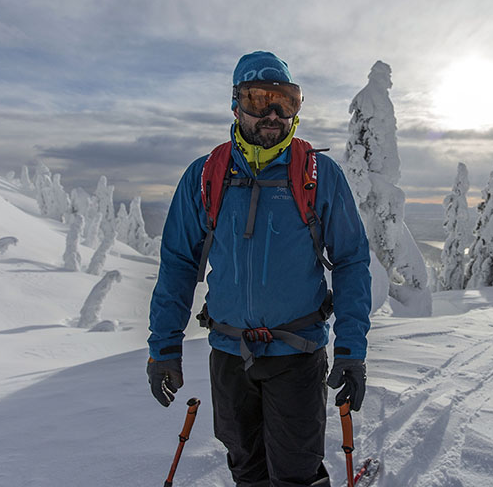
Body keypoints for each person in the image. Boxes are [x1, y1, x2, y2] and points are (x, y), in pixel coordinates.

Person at [147, 51, 371, 487]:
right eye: (258, 99)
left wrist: (351, 350)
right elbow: (177, 264)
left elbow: (350, 261)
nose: (272, 113)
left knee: (296, 474)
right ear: (236, 105)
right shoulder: (205, 176)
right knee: (246, 468)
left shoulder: (318, 175)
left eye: (284, 101)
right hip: (230, 356)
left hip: (297, 355)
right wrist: (164, 349)